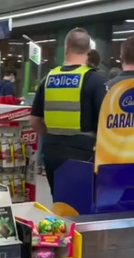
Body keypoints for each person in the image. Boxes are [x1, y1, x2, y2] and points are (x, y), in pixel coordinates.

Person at [30, 27, 107, 195]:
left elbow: (34, 121)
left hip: (51, 152)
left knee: (59, 201)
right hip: (84, 154)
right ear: (89, 50)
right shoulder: (95, 80)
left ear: (66, 49)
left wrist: (52, 135)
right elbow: (106, 123)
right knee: (80, 205)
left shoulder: (48, 78)